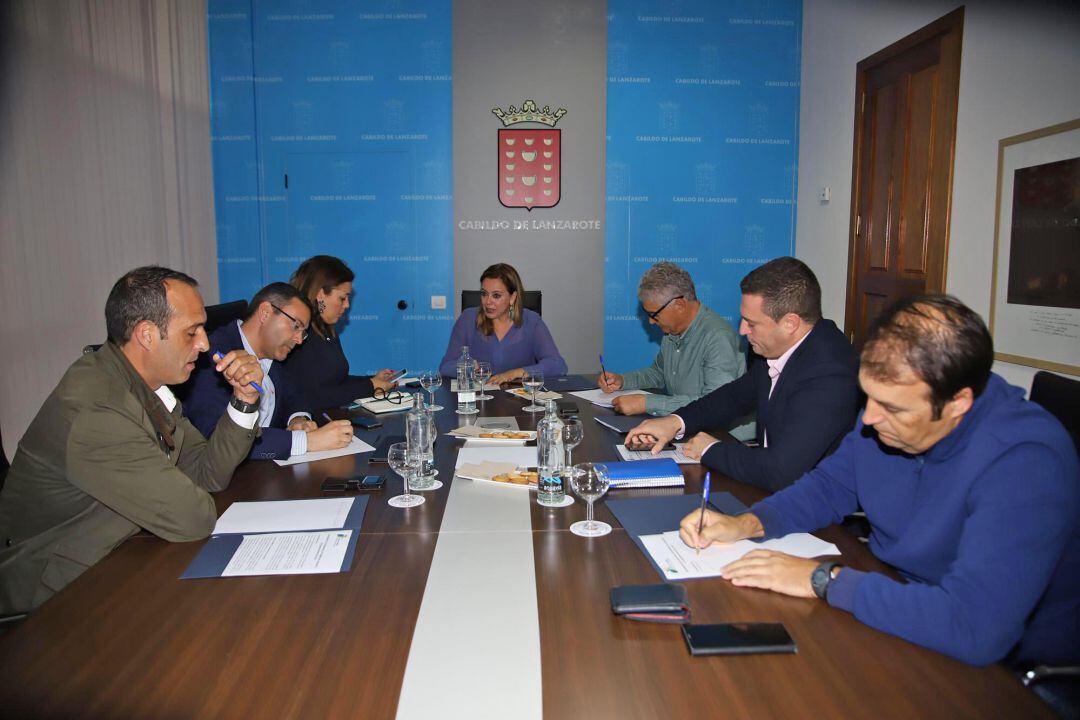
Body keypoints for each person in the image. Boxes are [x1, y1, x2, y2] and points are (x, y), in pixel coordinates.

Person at [678, 295, 1079, 667]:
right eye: (867, 397)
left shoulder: (1025, 460)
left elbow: (975, 627)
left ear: (957, 403)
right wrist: (746, 523)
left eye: (890, 407)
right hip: (892, 598)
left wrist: (820, 579)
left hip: (995, 665)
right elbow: (829, 486)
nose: (868, 419)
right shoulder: (886, 419)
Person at [0, 267, 262, 613]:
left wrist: (244, 400)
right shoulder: (97, 410)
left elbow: (206, 472)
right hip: (54, 595)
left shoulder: (141, 385)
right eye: (192, 332)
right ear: (147, 335)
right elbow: (192, 516)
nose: (204, 344)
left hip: (115, 559)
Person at [626, 257, 860, 492]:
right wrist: (675, 422)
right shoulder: (777, 348)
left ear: (790, 323)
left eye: (751, 323)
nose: (742, 330)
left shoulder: (831, 373)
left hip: (816, 509)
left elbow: (781, 471)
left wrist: (709, 449)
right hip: (773, 487)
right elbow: (733, 397)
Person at [184, 282, 354, 461]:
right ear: (265, 312)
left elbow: (296, 396)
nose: (299, 340)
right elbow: (217, 440)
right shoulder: (213, 357)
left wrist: (298, 420)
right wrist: (306, 441)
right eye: (296, 326)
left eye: (303, 333)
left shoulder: (274, 355)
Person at [597, 262, 754, 439]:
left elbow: (715, 403)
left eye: (654, 315)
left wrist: (647, 403)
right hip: (687, 428)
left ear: (679, 305)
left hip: (724, 438)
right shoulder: (672, 331)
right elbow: (659, 373)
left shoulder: (718, 337)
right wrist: (623, 380)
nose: (651, 322)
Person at [285, 255, 398, 408]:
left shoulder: (325, 329)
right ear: (320, 294)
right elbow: (314, 396)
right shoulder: (299, 336)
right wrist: (371, 386)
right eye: (342, 298)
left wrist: (373, 380)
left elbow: (336, 381)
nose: (346, 305)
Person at [439, 263, 567, 383]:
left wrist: (516, 373)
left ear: (512, 297)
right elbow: (445, 367)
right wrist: (468, 367)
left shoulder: (532, 321)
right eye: (484, 294)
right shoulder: (468, 319)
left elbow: (558, 365)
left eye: (496, 296)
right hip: (479, 401)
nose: (488, 302)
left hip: (518, 402)